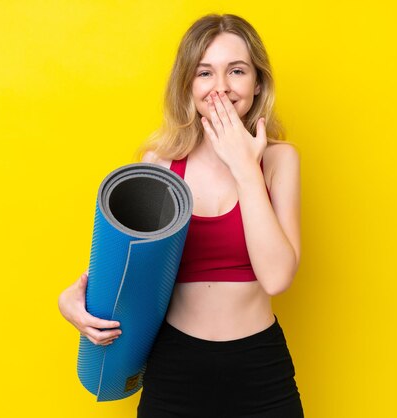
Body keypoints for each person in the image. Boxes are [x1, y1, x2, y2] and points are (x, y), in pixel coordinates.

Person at [58, 13, 303, 417]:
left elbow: (277, 277)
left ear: (257, 83)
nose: (220, 87)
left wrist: (244, 167)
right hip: (175, 369)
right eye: (205, 72)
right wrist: (73, 301)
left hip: (260, 368)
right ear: (188, 85)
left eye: (236, 71)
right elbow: (125, 267)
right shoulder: (161, 165)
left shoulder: (279, 160)